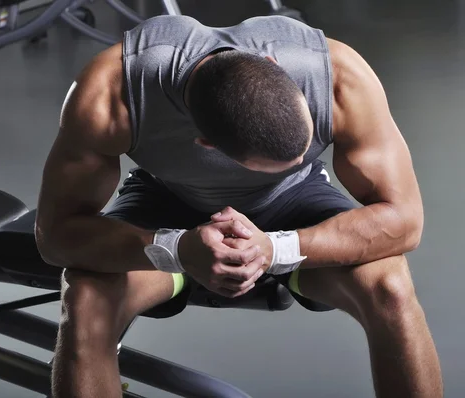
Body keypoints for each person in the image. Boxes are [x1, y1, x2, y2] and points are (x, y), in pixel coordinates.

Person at [35, 15, 443, 398]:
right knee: (86, 299)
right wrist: (177, 248)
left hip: (293, 203)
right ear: (206, 144)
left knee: (391, 286)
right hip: (168, 204)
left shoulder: (337, 76)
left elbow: (405, 221)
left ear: (271, 64)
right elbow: (55, 236)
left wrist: (275, 247)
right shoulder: (112, 91)